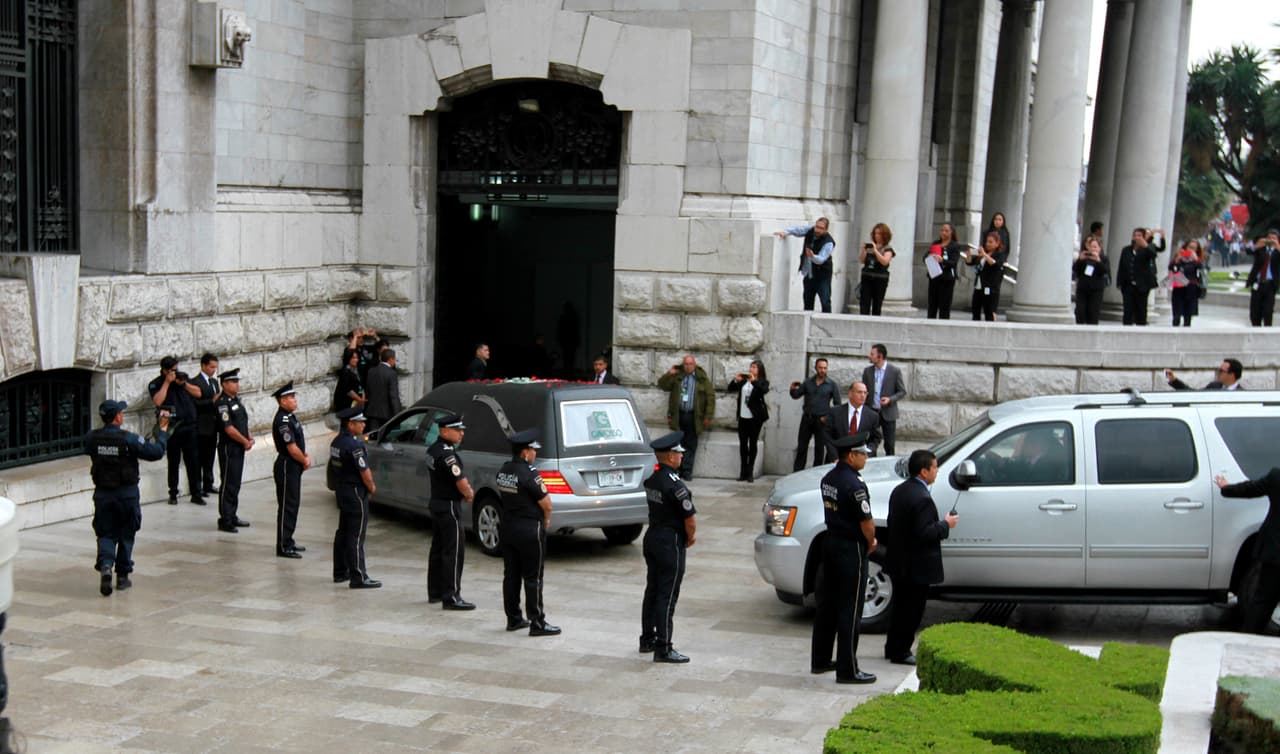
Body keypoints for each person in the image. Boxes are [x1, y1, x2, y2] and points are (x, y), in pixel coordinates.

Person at [810, 432, 876, 684]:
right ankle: (848, 669)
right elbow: (867, 523)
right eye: (863, 454)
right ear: (851, 456)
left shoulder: (829, 478)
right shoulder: (855, 486)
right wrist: (870, 542)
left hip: (831, 542)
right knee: (851, 608)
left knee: (827, 604)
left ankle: (821, 659)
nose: (866, 458)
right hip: (850, 548)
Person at [84, 400, 169, 596]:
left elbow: (89, 449)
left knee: (105, 532)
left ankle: (106, 565)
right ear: (117, 417)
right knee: (126, 533)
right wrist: (162, 431)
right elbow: (156, 453)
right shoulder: (129, 439)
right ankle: (122, 576)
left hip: (103, 493)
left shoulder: (92, 438)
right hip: (126, 494)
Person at [883, 450, 958, 664]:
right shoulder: (922, 498)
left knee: (899, 608)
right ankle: (901, 651)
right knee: (912, 610)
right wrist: (945, 525)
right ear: (923, 471)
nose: (937, 471)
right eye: (934, 467)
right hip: (916, 566)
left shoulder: (900, 490)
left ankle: (893, 647)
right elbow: (924, 532)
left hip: (900, 561)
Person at [640, 431, 697, 663]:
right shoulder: (676, 485)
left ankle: (647, 638)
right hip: (669, 541)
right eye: (678, 453)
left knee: (652, 590)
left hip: (652, 536)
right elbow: (690, 520)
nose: (681, 457)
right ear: (670, 456)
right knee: (667, 594)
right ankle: (663, 647)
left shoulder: (653, 479)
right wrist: (689, 537)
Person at [497, 429, 559, 636]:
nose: (535, 454)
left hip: (508, 527)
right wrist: (547, 520)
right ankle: (537, 622)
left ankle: (513, 618)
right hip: (529, 529)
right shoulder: (530, 473)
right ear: (524, 452)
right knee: (533, 577)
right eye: (533, 450)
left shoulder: (504, 470)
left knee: (511, 575)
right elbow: (546, 504)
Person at [1214, 469, 1280, 634]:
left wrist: (1226, 487)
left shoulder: (1276, 476)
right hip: (1273, 552)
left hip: (1274, 551)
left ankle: (1249, 639)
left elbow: (1250, 489)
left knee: (1263, 601)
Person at [427, 413, 476, 610]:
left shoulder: (433, 449)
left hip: (437, 503)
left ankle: (435, 591)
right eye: (457, 430)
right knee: (453, 551)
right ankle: (451, 596)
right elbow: (461, 481)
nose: (461, 433)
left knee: (438, 549)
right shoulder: (448, 455)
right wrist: (469, 493)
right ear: (445, 431)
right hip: (448, 505)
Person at [329, 406, 380, 589]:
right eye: (360, 422)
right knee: (356, 534)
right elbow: (364, 471)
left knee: (343, 531)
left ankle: (340, 571)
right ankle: (358, 575)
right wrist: (372, 487)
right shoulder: (354, 446)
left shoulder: (336, 442)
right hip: (356, 493)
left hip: (342, 491)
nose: (364, 424)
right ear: (351, 424)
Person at [148, 356, 204, 505]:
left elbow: (198, 393)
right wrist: (167, 382)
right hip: (172, 428)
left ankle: (196, 493)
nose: (175, 372)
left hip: (189, 426)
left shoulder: (182, 378)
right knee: (173, 461)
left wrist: (184, 384)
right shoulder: (156, 383)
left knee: (193, 461)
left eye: (176, 369)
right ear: (164, 370)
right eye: (172, 370)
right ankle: (173, 492)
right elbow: (158, 401)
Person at [657, 354, 715, 480]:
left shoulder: (702, 379)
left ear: (695, 365)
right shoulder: (678, 377)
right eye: (686, 364)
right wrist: (669, 373)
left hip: (694, 416)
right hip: (679, 415)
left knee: (691, 444)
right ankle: (678, 469)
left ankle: (687, 471)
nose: (688, 367)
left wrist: (708, 416)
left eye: (690, 364)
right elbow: (662, 385)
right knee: (678, 444)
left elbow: (710, 398)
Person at [271, 381, 312, 559]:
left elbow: (299, 443)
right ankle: (283, 545)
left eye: (294, 396)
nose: (295, 400)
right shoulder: (283, 420)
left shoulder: (290, 417)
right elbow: (291, 447)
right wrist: (304, 460)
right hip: (288, 464)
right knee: (287, 505)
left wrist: (304, 456)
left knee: (293, 504)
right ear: (282, 401)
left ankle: (289, 539)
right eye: (290, 397)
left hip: (294, 464)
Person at [214, 369, 252, 533]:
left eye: (237, 381)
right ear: (224, 384)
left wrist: (248, 437)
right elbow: (229, 429)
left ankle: (232, 514)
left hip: (239, 446)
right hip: (229, 447)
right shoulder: (223, 403)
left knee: (235, 483)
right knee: (228, 482)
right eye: (233, 382)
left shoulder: (235, 400)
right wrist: (245, 441)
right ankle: (225, 518)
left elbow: (242, 422)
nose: (237, 385)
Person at [774, 217, 836, 313]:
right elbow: (798, 230)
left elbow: (822, 259)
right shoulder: (811, 230)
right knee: (807, 300)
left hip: (822, 275)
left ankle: (828, 320)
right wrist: (786, 232)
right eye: (817, 227)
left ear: (826, 230)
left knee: (825, 301)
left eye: (821, 228)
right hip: (809, 274)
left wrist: (812, 256)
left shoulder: (829, 242)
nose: (817, 230)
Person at [789, 357, 839, 471]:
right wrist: (792, 389)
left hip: (821, 420)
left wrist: (828, 418)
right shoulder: (808, 382)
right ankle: (797, 472)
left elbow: (837, 404)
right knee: (802, 447)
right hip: (807, 418)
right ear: (816, 368)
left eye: (825, 368)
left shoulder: (831, 384)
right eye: (820, 368)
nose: (822, 370)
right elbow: (796, 395)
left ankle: (816, 473)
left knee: (819, 449)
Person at [727, 360, 770, 482]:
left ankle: (750, 471)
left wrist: (754, 381)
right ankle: (743, 472)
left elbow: (764, 390)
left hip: (755, 418)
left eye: (754, 367)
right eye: (751, 367)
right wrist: (736, 380)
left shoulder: (762, 382)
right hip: (743, 416)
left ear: (759, 370)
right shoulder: (744, 382)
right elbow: (730, 388)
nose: (751, 369)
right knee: (743, 445)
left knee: (752, 444)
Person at [1116, 226, 1166, 326]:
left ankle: (1140, 327)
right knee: (1128, 310)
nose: (1136, 238)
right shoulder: (1126, 250)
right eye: (1135, 235)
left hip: (1142, 286)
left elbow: (1154, 254)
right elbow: (1121, 266)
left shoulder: (1148, 248)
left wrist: (1146, 246)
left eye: (1139, 235)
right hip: (1128, 285)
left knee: (1141, 310)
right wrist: (1120, 282)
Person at [862, 344, 906, 456]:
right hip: (872, 412)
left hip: (888, 412)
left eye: (872, 354)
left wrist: (890, 399)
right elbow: (864, 390)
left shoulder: (894, 371)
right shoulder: (868, 371)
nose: (870, 356)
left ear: (880, 356)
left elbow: (902, 391)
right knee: (871, 442)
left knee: (889, 444)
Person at [825, 381, 882, 458]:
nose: (863, 395)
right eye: (859, 392)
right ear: (850, 394)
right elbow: (828, 436)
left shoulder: (873, 416)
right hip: (838, 458)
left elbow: (875, 438)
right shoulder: (835, 412)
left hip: (861, 460)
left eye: (865, 393)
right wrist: (834, 457)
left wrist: (867, 453)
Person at [193, 353, 221, 496]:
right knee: (199, 458)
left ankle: (208, 483)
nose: (213, 370)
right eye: (211, 367)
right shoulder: (195, 382)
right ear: (203, 366)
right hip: (201, 425)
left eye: (215, 367)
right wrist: (212, 401)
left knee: (210, 456)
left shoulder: (215, 382)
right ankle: (198, 487)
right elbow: (195, 404)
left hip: (213, 425)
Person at [924, 222, 963, 319]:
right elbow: (924, 257)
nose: (943, 232)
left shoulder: (954, 246)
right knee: (932, 304)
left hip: (947, 278)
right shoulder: (936, 244)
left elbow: (954, 262)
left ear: (951, 232)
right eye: (942, 230)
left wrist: (942, 260)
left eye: (946, 231)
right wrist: (929, 257)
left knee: (944, 305)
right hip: (934, 276)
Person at [966, 230, 1007, 321]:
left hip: (990, 286)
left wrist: (984, 254)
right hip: (979, 284)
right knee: (975, 308)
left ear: (997, 243)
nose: (988, 244)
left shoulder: (999, 254)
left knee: (989, 310)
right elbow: (970, 263)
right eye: (987, 242)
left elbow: (994, 264)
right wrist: (968, 255)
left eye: (991, 242)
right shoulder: (982, 255)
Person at [858, 223, 895, 316]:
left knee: (877, 304)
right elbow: (862, 260)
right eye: (875, 233)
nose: (876, 236)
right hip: (867, 277)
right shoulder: (871, 246)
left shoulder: (887, 248)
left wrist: (875, 251)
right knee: (864, 303)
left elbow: (885, 261)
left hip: (880, 279)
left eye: (879, 234)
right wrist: (864, 250)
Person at [1073, 236, 1110, 324]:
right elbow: (1076, 270)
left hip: (1096, 289)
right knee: (1080, 311)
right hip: (1083, 288)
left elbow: (1105, 271)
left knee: (1093, 312)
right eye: (1091, 246)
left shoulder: (1103, 258)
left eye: (1095, 247)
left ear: (1099, 248)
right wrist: (1080, 260)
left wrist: (1098, 260)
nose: (1093, 249)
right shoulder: (1084, 258)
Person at [1246, 229, 1280, 327]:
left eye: (1274, 239)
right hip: (1258, 283)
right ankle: (1256, 328)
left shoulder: (1277, 251)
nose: (1271, 240)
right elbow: (1248, 251)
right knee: (1255, 312)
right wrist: (1257, 245)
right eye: (1269, 238)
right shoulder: (1261, 249)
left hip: (1270, 285)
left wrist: (1277, 246)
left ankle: (1266, 330)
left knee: (1268, 311)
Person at [364, 348, 402, 433]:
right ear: (391, 359)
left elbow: (367, 391)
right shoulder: (391, 373)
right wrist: (398, 415)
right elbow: (393, 396)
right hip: (387, 414)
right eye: (394, 359)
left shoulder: (371, 371)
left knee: (373, 437)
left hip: (372, 411)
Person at [1169, 240, 1205, 327]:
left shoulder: (1197, 260)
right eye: (1190, 247)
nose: (1191, 250)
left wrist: (1195, 259)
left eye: (1194, 248)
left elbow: (1202, 269)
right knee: (1176, 313)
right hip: (1179, 287)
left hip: (1191, 288)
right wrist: (1177, 260)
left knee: (1188, 314)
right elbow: (1172, 268)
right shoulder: (1179, 258)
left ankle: (1186, 327)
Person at [1165, 359, 1243, 391]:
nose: (1218, 373)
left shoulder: (1241, 395)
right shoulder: (1214, 386)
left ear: (1232, 375)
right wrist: (1174, 380)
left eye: (1221, 371)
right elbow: (1194, 395)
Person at [332, 347, 366, 412]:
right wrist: (359, 399)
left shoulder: (356, 370)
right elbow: (347, 389)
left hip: (356, 402)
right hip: (346, 404)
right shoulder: (346, 371)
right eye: (353, 358)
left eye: (357, 358)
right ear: (348, 358)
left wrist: (362, 398)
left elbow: (361, 385)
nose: (356, 360)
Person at [557, 302, 581, 371]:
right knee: (570, 356)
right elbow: (576, 330)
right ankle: (569, 369)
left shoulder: (564, 318)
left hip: (567, 340)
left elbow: (560, 329)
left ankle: (568, 369)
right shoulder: (573, 318)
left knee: (567, 356)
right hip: (570, 340)